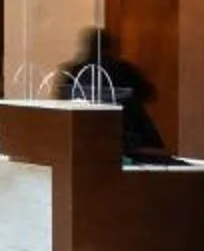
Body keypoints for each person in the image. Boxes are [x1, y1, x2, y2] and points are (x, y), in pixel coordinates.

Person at [63, 26, 168, 158]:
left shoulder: (74, 72)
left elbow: (61, 102)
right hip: (125, 140)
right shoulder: (122, 69)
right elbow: (149, 93)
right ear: (110, 47)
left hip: (85, 141)